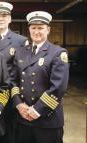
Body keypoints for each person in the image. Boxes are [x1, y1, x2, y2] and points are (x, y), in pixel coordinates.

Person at [11, 11, 69, 143]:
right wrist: (19, 105)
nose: (36, 31)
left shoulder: (58, 53)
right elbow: (13, 81)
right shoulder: (21, 52)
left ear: (48, 29)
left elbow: (58, 87)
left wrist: (37, 110)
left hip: (47, 120)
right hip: (23, 118)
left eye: (40, 28)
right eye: (33, 28)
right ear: (29, 29)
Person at [0, 1, 27, 143]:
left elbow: (22, 71)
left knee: (9, 135)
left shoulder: (21, 41)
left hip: (9, 96)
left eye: (4, 15)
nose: (1, 18)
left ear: (10, 19)